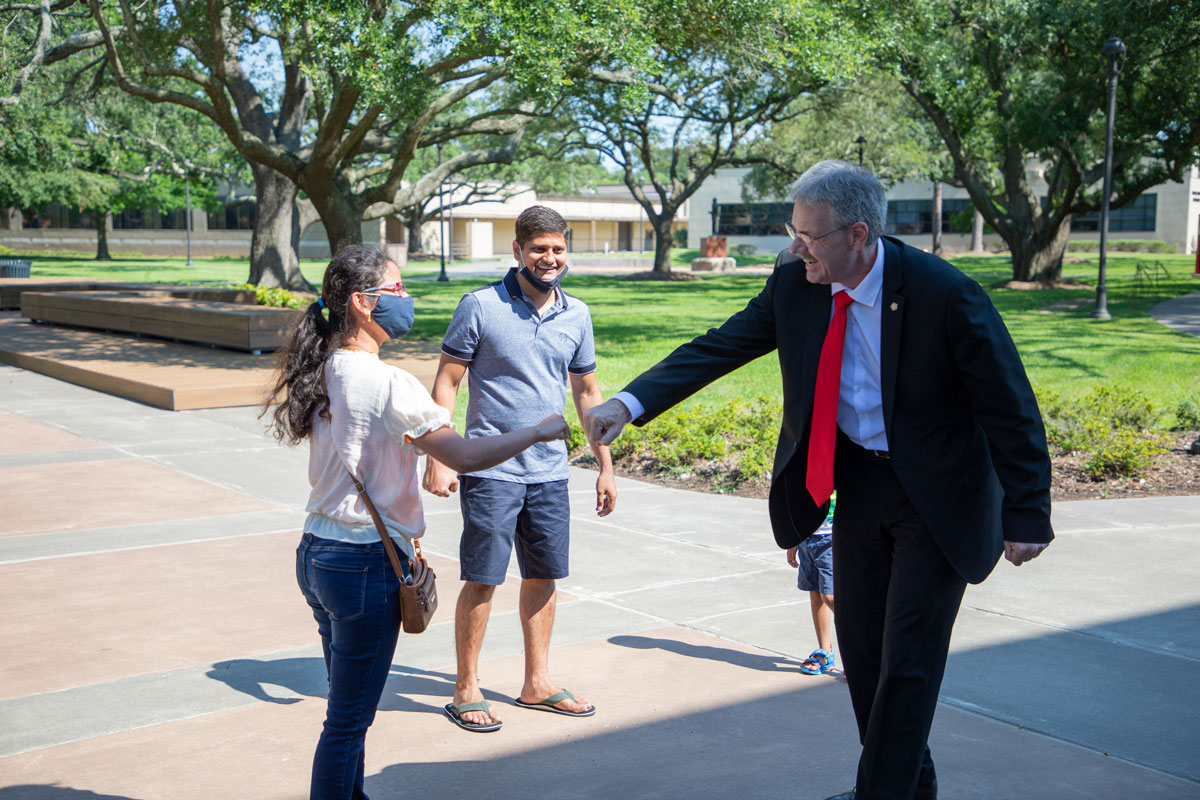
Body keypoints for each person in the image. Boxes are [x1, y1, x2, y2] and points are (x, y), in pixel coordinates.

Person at [583, 161, 1053, 800]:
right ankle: (907, 790)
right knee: (864, 659)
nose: (793, 246)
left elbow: (1010, 407)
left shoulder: (946, 294)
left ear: (858, 234)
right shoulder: (795, 283)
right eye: (792, 230)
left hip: (940, 495)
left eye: (809, 235)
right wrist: (629, 403)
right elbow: (721, 346)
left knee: (908, 665)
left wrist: (1028, 512)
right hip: (860, 485)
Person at [262, 244, 569, 800]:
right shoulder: (389, 383)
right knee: (348, 722)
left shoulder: (323, 367)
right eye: (397, 291)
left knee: (345, 710)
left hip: (317, 554)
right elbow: (466, 457)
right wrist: (537, 432)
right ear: (363, 303)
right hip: (363, 563)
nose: (407, 300)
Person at [423, 205, 617, 733]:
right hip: (490, 469)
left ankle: (538, 683)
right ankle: (466, 687)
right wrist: (440, 456)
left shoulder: (576, 313)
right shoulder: (480, 306)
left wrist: (604, 465)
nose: (549, 258)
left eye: (557, 249)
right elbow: (448, 382)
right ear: (517, 251)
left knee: (543, 576)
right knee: (483, 579)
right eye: (538, 249)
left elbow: (588, 393)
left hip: (550, 472)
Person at [788, 491, 836, 676]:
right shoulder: (803, 464)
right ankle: (826, 653)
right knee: (816, 593)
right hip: (807, 535)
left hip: (832, 537)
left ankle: (858, 654)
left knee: (830, 596)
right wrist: (793, 540)